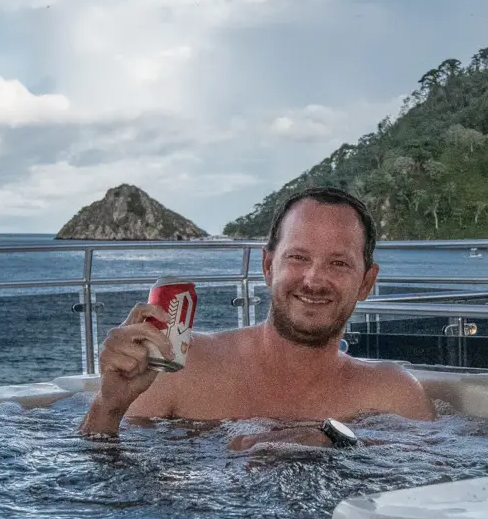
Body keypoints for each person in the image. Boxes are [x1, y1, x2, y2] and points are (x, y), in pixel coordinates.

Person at [80, 187, 433, 446]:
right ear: (268, 267)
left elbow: (424, 497)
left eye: (338, 263)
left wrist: (337, 445)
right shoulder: (181, 368)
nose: (313, 280)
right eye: (298, 258)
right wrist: (109, 406)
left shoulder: (393, 393)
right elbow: (101, 490)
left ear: (366, 283)